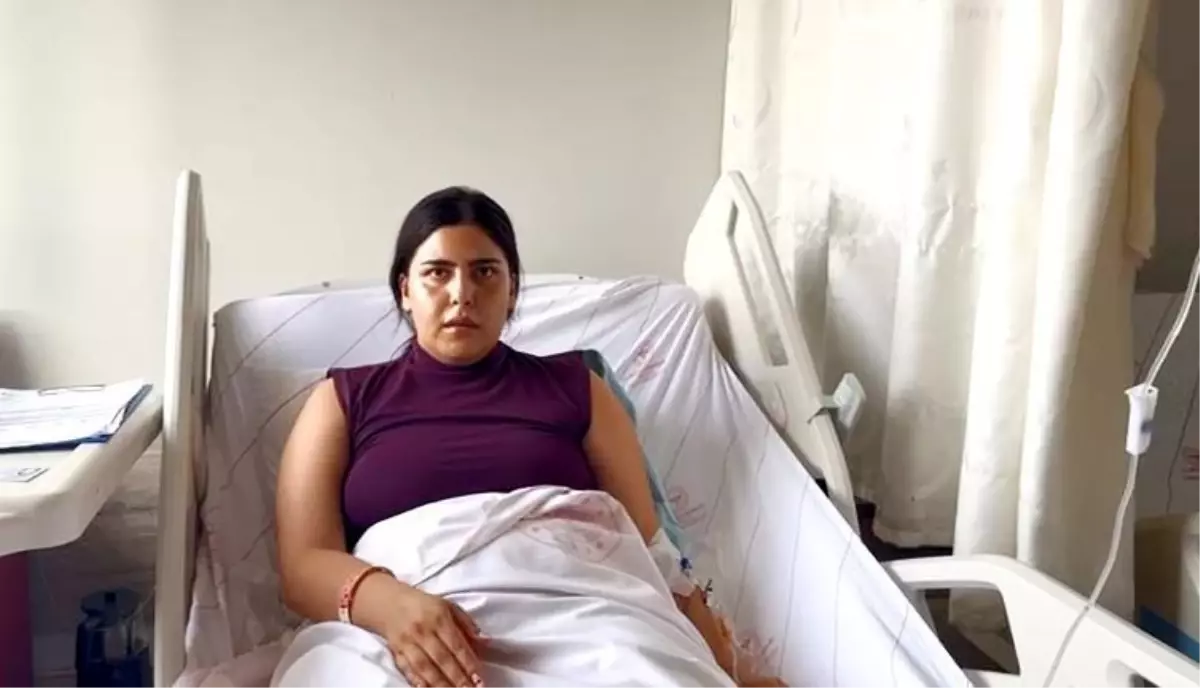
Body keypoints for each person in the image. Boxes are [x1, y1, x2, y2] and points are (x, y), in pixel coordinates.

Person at [275, 186, 786, 688]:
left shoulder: (577, 388)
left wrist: (733, 669)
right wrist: (390, 606)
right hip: (398, 623)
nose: (462, 293)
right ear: (405, 290)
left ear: (513, 290)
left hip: (587, 615)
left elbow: (651, 551)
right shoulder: (343, 399)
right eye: (437, 273)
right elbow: (302, 566)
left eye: (485, 272)